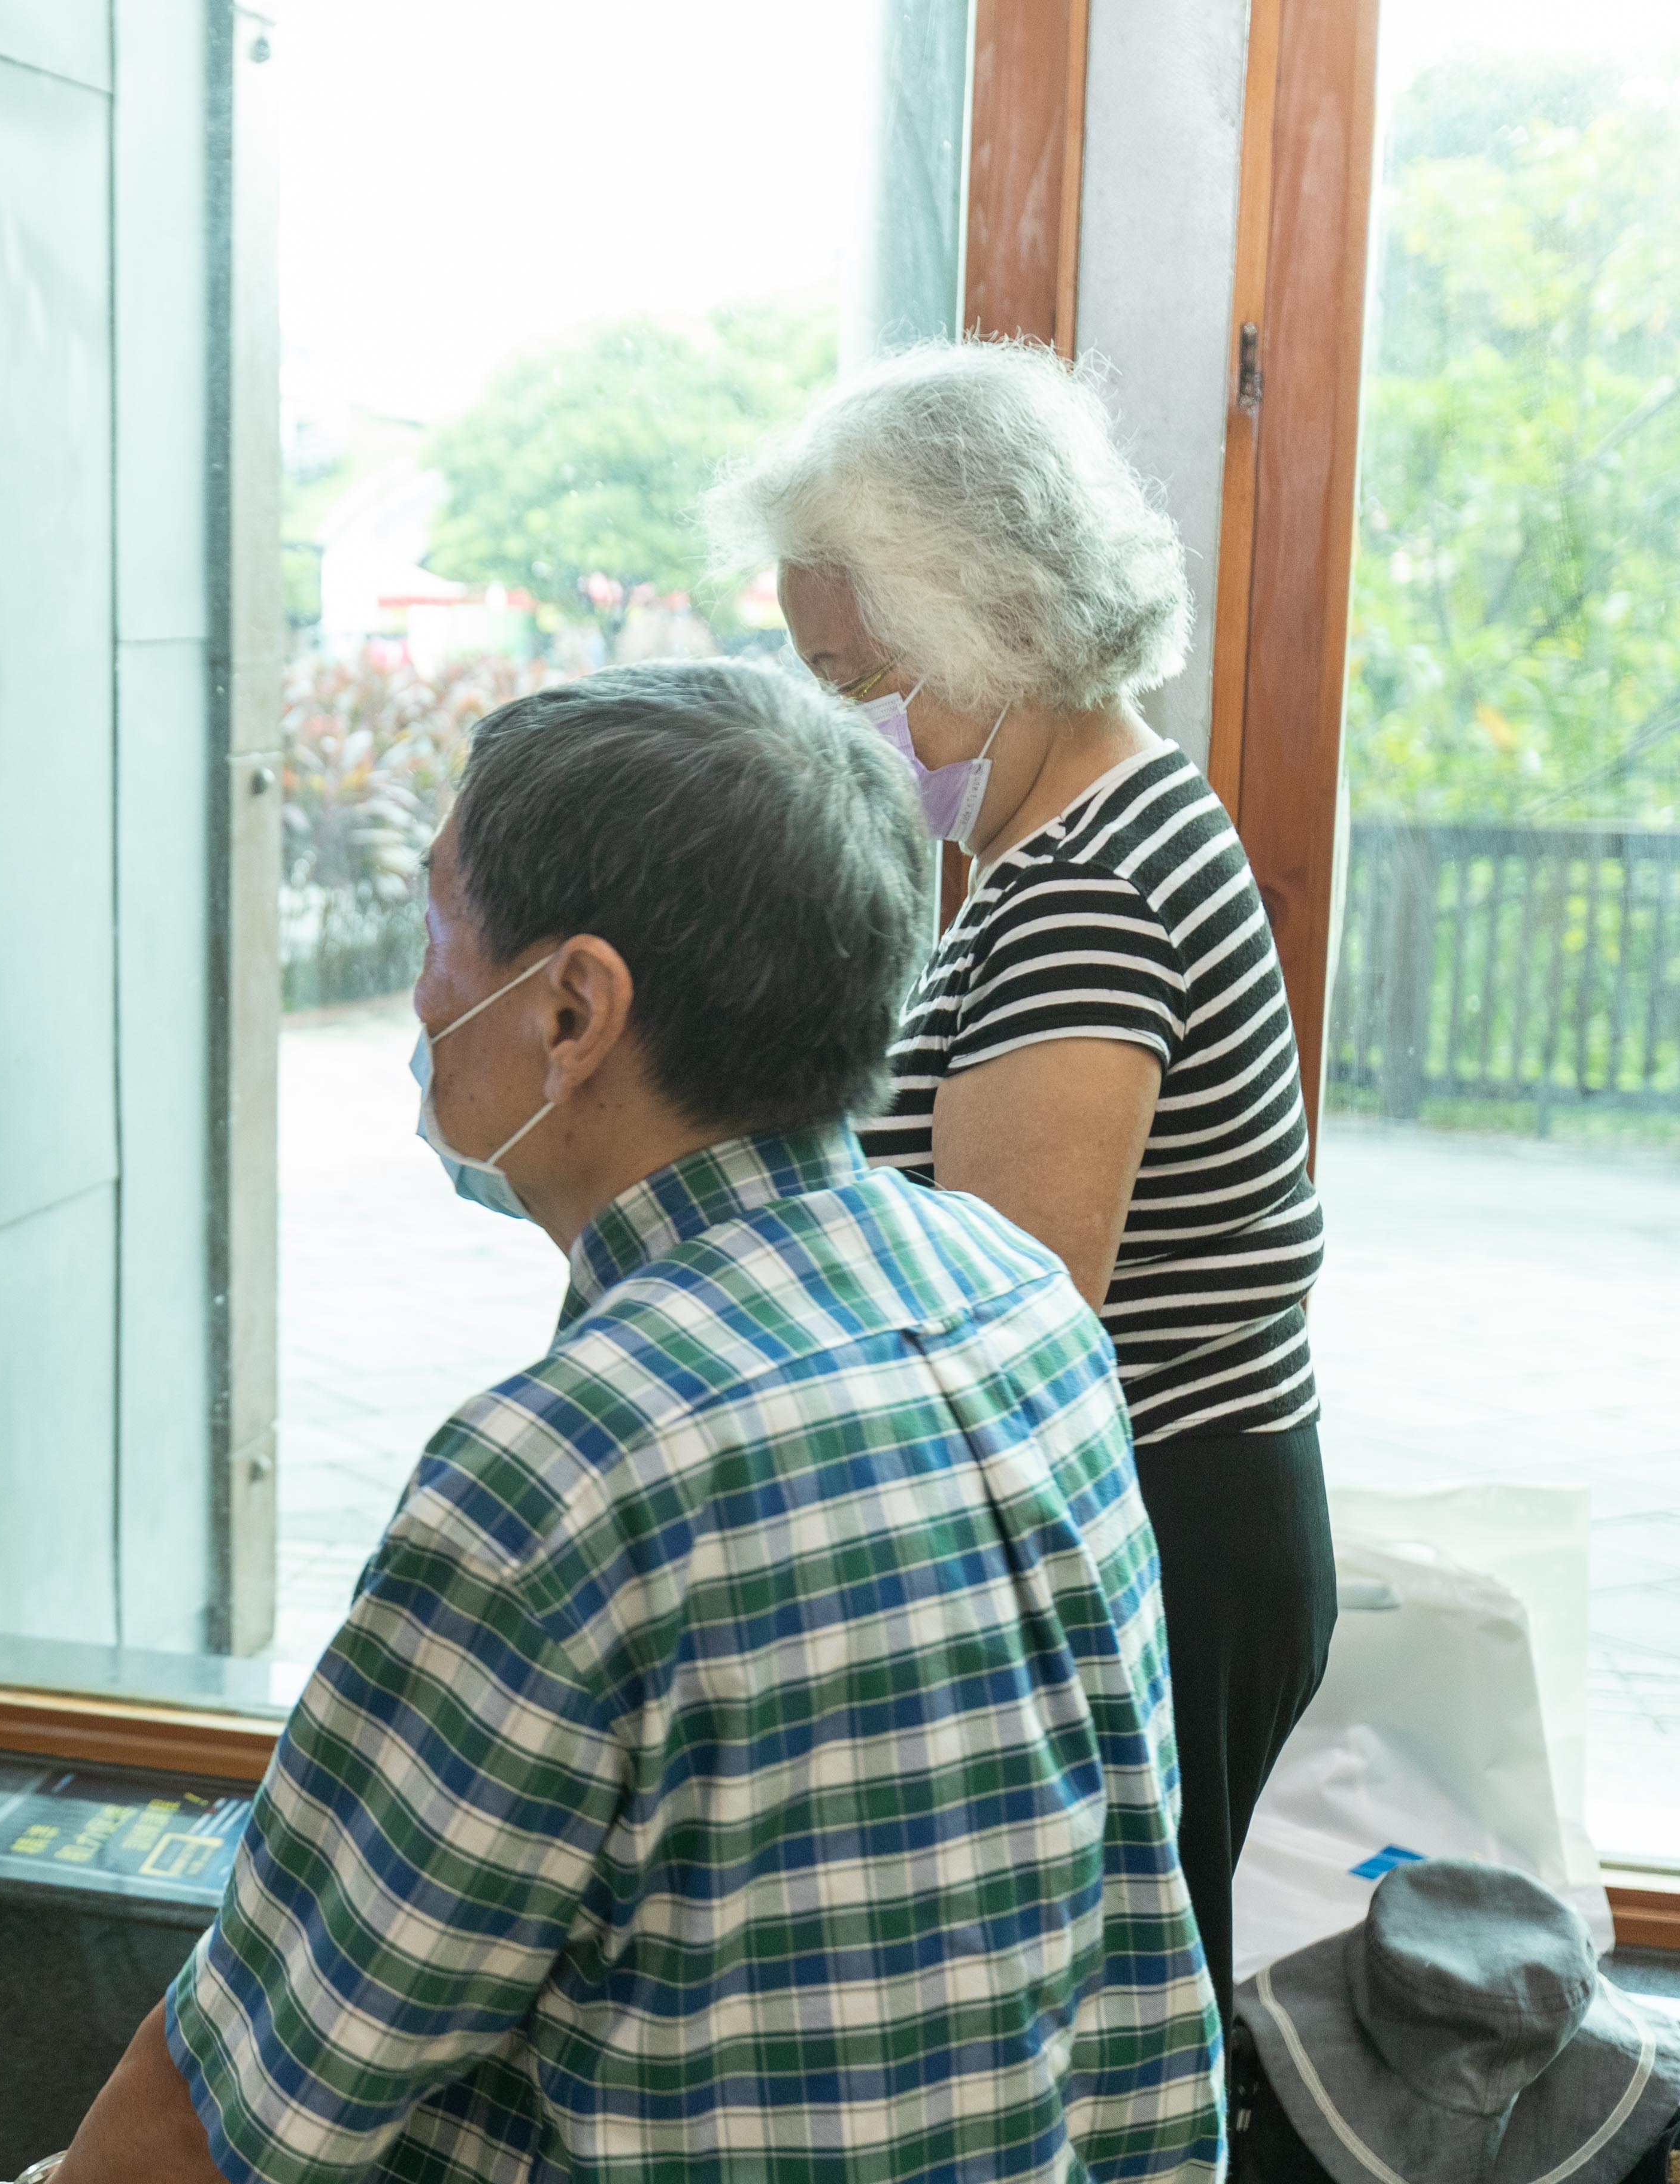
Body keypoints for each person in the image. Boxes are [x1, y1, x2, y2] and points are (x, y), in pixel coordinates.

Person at [27, 662, 1218, 2184]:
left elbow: (250, 2090)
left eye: (437, 934)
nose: (420, 999)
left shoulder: (564, 1475)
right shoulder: (1022, 1307)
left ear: (574, 1010)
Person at [707, 340, 1332, 1992]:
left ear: (994, 625)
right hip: (1200, 1503)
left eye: (858, 680)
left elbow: (1009, 1323)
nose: (846, 728)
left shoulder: (1084, 893)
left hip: (1176, 1524)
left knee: (1118, 2018)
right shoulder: (1094, 829)